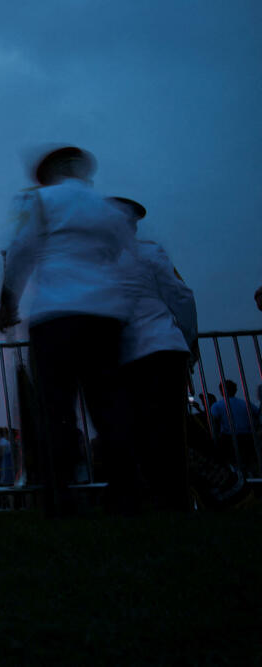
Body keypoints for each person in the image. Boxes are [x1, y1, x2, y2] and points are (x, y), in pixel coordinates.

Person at [0, 146, 137, 516]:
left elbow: (21, 250)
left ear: (48, 173)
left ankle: (61, 495)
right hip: (105, 316)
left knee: (56, 410)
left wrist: (7, 303)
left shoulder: (40, 201)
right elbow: (127, 260)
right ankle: (125, 495)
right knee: (109, 408)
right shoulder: (109, 209)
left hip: (56, 314)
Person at [113, 197, 198, 511]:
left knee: (137, 429)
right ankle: (178, 500)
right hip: (165, 348)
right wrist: (188, 339)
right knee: (173, 429)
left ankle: (148, 499)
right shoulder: (150, 253)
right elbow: (181, 296)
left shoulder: (98, 264)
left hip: (126, 356)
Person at [210, 380, 260, 475]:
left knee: (232, 464)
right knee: (248, 463)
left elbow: (214, 423)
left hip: (229, 439)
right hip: (247, 437)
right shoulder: (245, 404)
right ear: (235, 390)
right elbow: (258, 415)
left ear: (221, 391)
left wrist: (215, 439)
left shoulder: (217, 406)